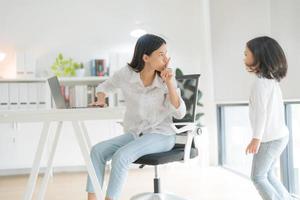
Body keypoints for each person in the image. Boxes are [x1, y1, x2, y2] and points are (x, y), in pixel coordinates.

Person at [86, 34, 186, 200]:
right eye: (161, 54)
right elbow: (105, 86)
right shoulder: (126, 74)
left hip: (162, 134)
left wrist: (169, 83)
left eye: (166, 54)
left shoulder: (166, 79)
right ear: (146, 57)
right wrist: (101, 99)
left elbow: (180, 112)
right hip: (136, 133)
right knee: (97, 151)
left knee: (121, 156)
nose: (166, 59)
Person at [244, 36, 291, 200]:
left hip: (270, 139)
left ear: (258, 57)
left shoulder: (260, 83)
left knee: (257, 177)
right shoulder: (271, 79)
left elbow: (262, 113)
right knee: (268, 174)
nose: (244, 57)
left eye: (246, 54)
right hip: (280, 136)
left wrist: (256, 138)